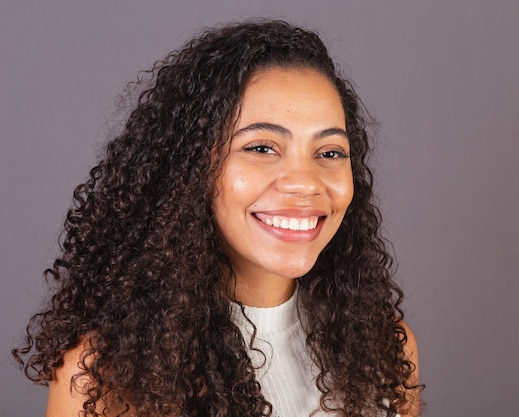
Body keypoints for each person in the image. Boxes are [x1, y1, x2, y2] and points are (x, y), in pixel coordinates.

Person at [14, 20, 422, 417]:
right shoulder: (106, 376)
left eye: (330, 152)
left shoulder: (384, 346)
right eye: (261, 148)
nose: (305, 183)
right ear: (189, 170)